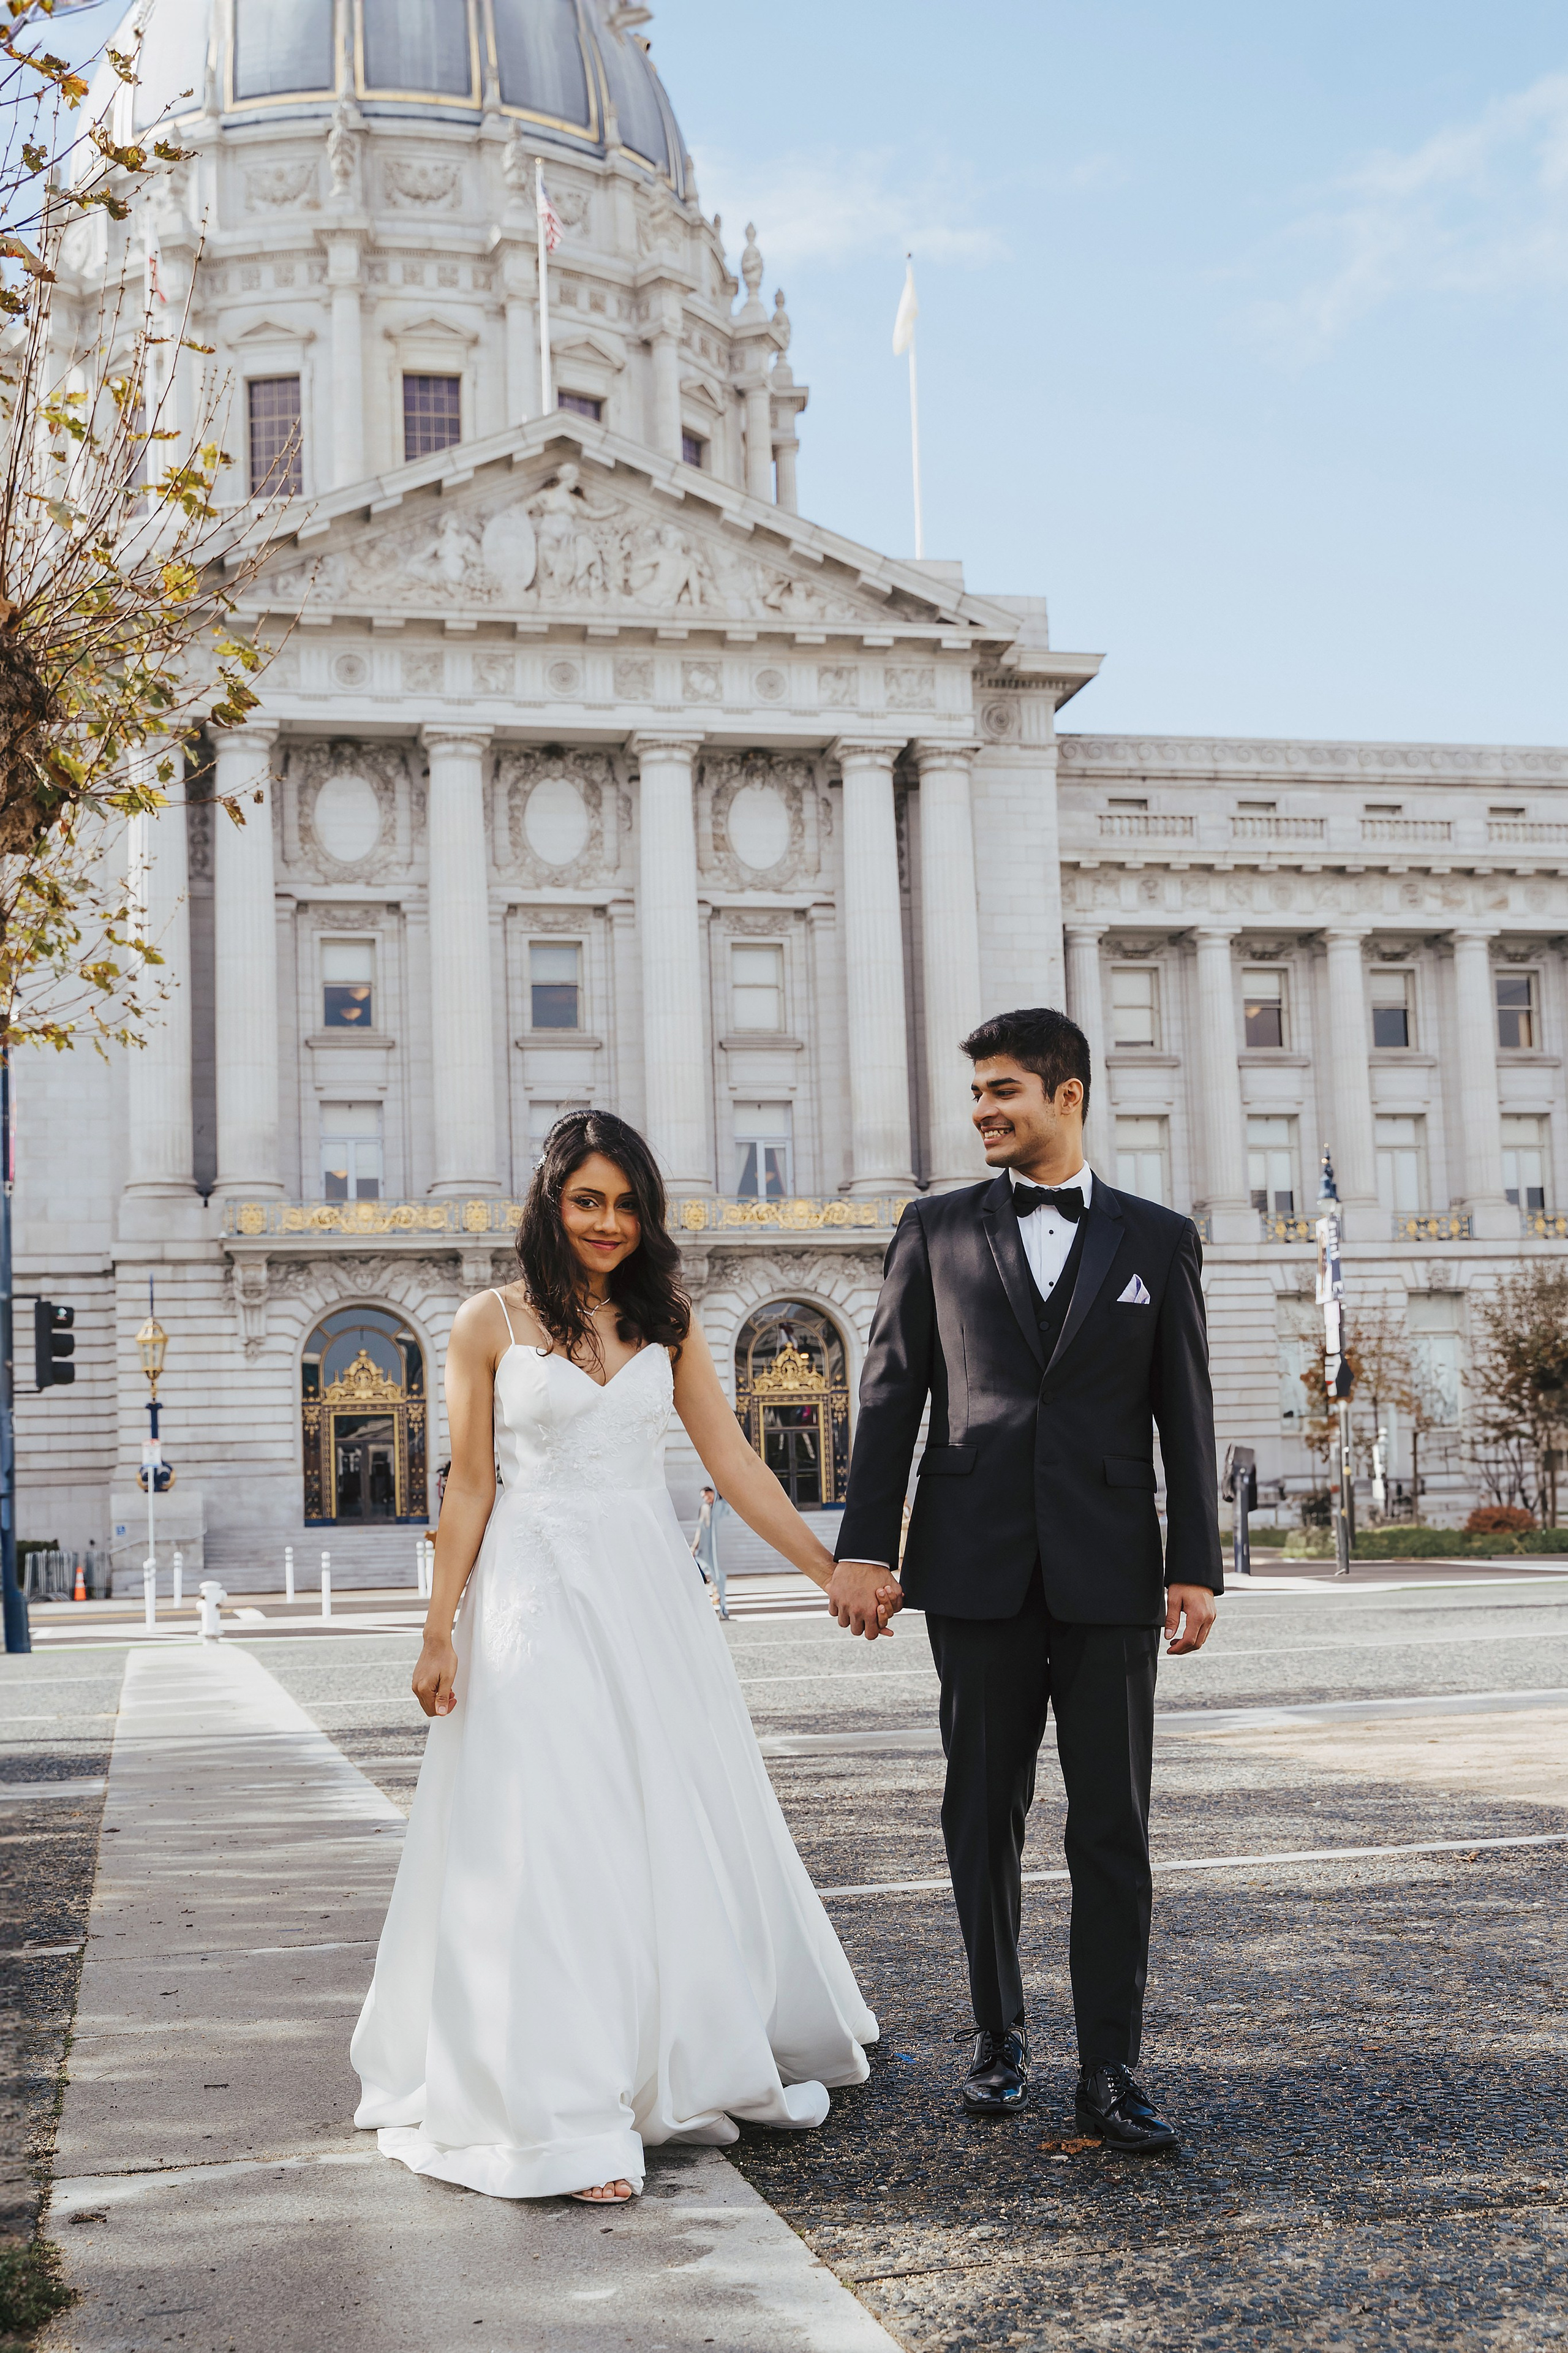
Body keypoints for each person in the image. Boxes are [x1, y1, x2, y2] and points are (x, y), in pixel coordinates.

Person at [351, 1109, 878, 2207]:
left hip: (647, 1597)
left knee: (661, 1816)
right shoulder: (487, 1321)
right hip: (532, 1600)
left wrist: (828, 1568)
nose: (608, 1222)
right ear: (550, 1204)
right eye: (587, 1200)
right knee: (548, 1828)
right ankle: (563, 2105)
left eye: (628, 1204)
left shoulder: (668, 1319)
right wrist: (438, 1628)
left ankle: (673, 2052)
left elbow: (735, 1463)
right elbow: (470, 1485)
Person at [827, 1007, 1221, 2150]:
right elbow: (890, 1394)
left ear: (1068, 1095)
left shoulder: (1159, 1240)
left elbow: (1185, 1410)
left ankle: (1112, 2068)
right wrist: (866, 1547)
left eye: (1002, 1090)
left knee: (1114, 1825)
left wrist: (1195, 1565)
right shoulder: (934, 1229)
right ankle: (998, 2038)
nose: (982, 1111)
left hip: (1112, 1570)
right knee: (980, 1811)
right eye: (977, 1093)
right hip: (974, 1564)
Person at [690, 1483, 733, 1617]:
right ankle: (721, 1605)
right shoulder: (705, 1508)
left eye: (706, 1495)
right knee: (714, 1577)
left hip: (721, 1547)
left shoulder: (723, 1506)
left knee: (719, 1578)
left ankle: (722, 1606)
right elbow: (701, 1528)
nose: (705, 1499)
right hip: (709, 1548)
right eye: (703, 1497)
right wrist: (694, 1547)